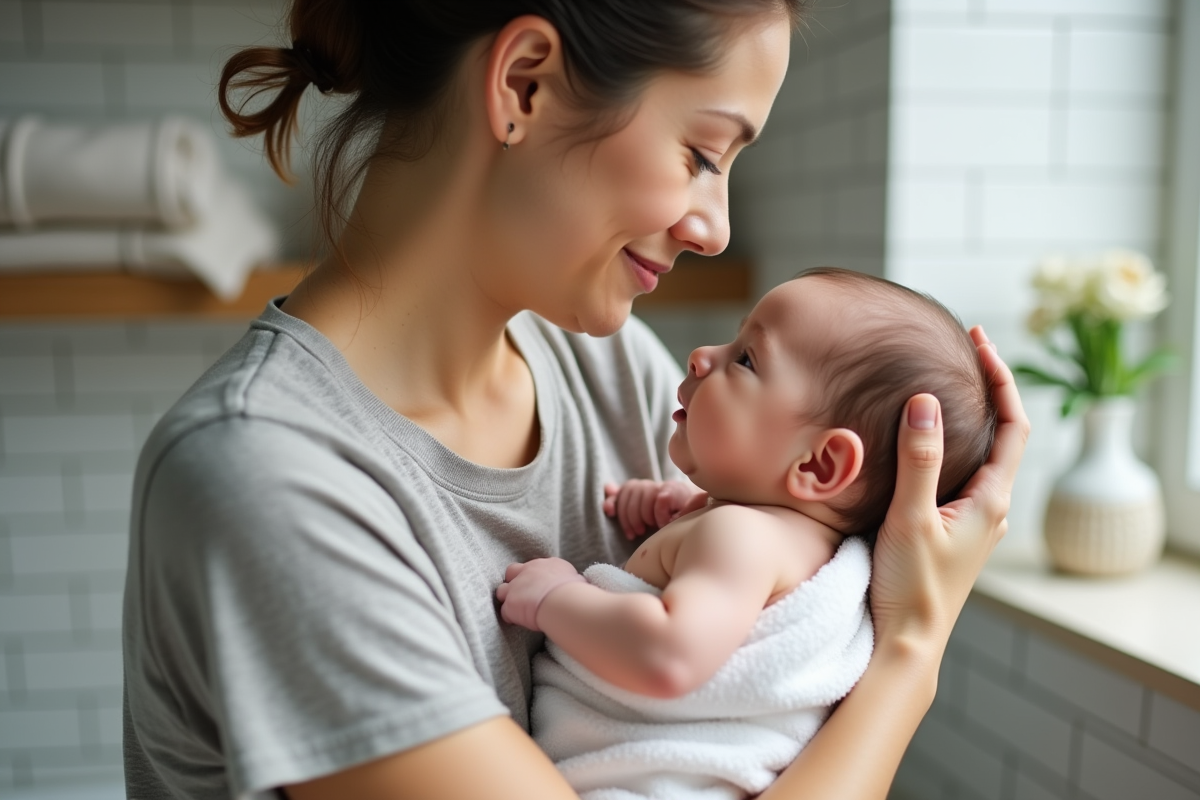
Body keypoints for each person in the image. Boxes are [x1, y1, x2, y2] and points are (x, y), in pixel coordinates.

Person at [120, 2, 1029, 799]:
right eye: (703, 152)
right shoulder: (271, 477)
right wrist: (911, 651)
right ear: (523, 85)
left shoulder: (608, 369)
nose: (713, 227)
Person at [495, 269, 997, 799]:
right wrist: (676, 515)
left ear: (822, 465)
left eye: (746, 359)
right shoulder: (814, 553)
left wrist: (557, 598)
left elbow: (670, 655)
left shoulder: (739, 534)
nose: (702, 356)